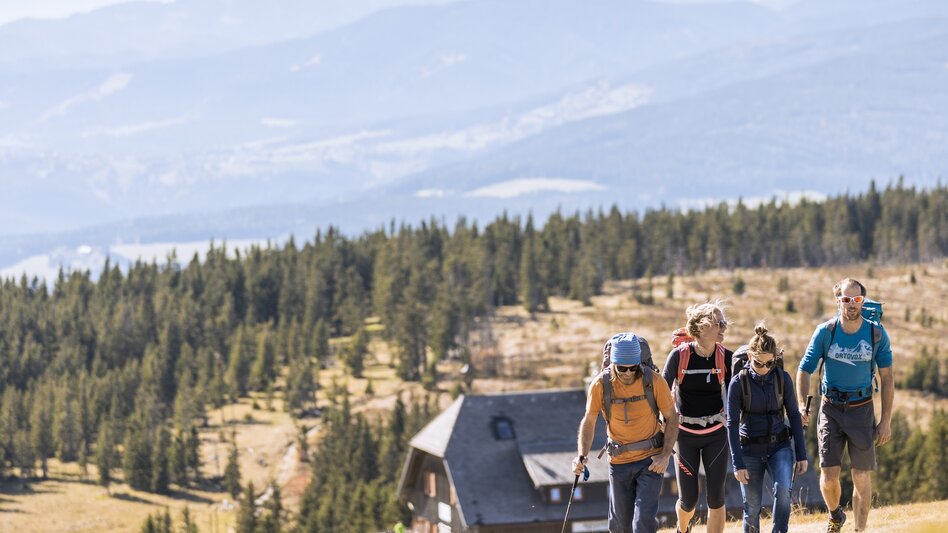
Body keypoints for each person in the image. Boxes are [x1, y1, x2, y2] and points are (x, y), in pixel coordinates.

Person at [796, 278, 893, 533]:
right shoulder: (825, 332)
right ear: (838, 300)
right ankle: (836, 514)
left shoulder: (876, 334)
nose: (851, 304)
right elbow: (804, 370)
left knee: (861, 475)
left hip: (862, 410)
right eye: (846, 299)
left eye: (857, 300)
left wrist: (885, 421)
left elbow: (887, 378)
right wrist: (801, 405)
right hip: (831, 409)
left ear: (863, 301)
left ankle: (859, 530)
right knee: (828, 477)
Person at [573, 332, 679, 533]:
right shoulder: (600, 385)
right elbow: (589, 421)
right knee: (620, 526)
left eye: (634, 368)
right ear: (613, 363)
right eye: (622, 368)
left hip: (651, 461)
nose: (629, 373)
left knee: (643, 523)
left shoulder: (654, 381)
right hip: (619, 462)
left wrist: (665, 455)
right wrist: (581, 456)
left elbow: (672, 418)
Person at [727, 323, 808, 533]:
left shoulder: (783, 379)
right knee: (751, 507)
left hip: (779, 447)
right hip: (749, 451)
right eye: (759, 363)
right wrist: (737, 464)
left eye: (770, 363)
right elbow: (732, 424)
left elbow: (794, 417)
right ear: (750, 358)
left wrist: (801, 454)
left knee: (783, 492)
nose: (764, 369)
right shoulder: (738, 383)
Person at [662, 301, 733, 533]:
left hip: (716, 434)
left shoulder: (726, 358)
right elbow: (662, 392)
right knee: (688, 500)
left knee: (716, 497)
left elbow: (739, 395)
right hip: (684, 436)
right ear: (701, 328)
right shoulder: (679, 356)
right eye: (718, 323)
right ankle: (683, 529)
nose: (724, 327)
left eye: (724, 322)